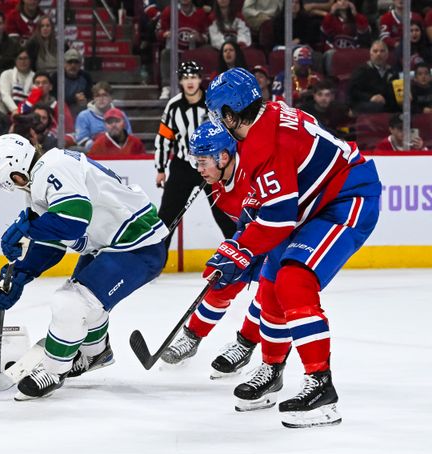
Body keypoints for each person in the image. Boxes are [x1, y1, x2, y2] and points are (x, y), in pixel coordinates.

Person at [204, 67, 381, 427]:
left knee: (293, 280)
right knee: (270, 285)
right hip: (315, 202)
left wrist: (239, 250)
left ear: (229, 113)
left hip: (348, 197)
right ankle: (272, 371)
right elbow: (273, 200)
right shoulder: (267, 117)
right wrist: (244, 242)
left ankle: (321, 389)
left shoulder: (263, 143)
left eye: (216, 114)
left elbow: (279, 220)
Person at [0, 134, 168, 400]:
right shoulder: (39, 180)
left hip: (136, 245)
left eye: (13, 178)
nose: (16, 185)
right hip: (111, 245)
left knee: (71, 302)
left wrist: (25, 227)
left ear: (19, 164)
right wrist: (22, 275)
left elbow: (74, 220)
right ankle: (96, 354)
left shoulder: (53, 166)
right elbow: (54, 243)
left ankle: (53, 370)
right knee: (84, 302)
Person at [158, 121, 263, 377]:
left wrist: (239, 247)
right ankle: (192, 338)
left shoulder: (253, 172)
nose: (199, 168)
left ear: (223, 157)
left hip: (286, 233)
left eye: (203, 161)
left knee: (270, 295)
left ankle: (245, 344)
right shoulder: (216, 184)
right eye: (197, 161)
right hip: (255, 234)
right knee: (221, 281)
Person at [155, 61, 236, 265]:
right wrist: (161, 168)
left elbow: (227, 131)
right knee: (168, 214)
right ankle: (155, 261)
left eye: (193, 77)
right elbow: (164, 138)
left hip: (212, 165)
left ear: (200, 79)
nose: (190, 81)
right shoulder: (173, 106)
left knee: (223, 211)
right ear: (180, 81)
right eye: (185, 77)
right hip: (183, 165)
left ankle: (241, 254)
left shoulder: (211, 103)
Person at [75, 81, 132, 150]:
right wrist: (102, 146)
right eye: (97, 96)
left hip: (118, 152)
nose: (101, 99)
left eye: (104, 95)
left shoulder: (121, 114)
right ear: (94, 98)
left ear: (111, 98)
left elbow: (129, 137)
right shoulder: (83, 116)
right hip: (93, 154)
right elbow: (82, 140)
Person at [348, 40, 398, 114]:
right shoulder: (362, 70)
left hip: (386, 104)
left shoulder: (392, 71)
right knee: (376, 107)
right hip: (366, 103)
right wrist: (370, 97)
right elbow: (353, 91)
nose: (378, 54)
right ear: (370, 54)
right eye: (375, 51)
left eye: (382, 51)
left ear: (387, 54)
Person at [50, 49, 93, 116]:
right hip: (60, 110)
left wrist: (85, 100)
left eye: (76, 62)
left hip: (80, 110)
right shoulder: (56, 77)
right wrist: (74, 99)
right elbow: (53, 98)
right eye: (70, 62)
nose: (73, 65)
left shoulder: (86, 76)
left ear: (81, 64)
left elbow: (90, 96)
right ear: (64, 64)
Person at [0, 49, 35, 115]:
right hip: (3, 113)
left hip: (27, 113)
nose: (23, 62)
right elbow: (5, 95)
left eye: (25, 58)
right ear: (15, 60)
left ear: (30, 60)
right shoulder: (6, 74)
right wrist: (15, 110)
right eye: (20, 59)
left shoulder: (35, 77)